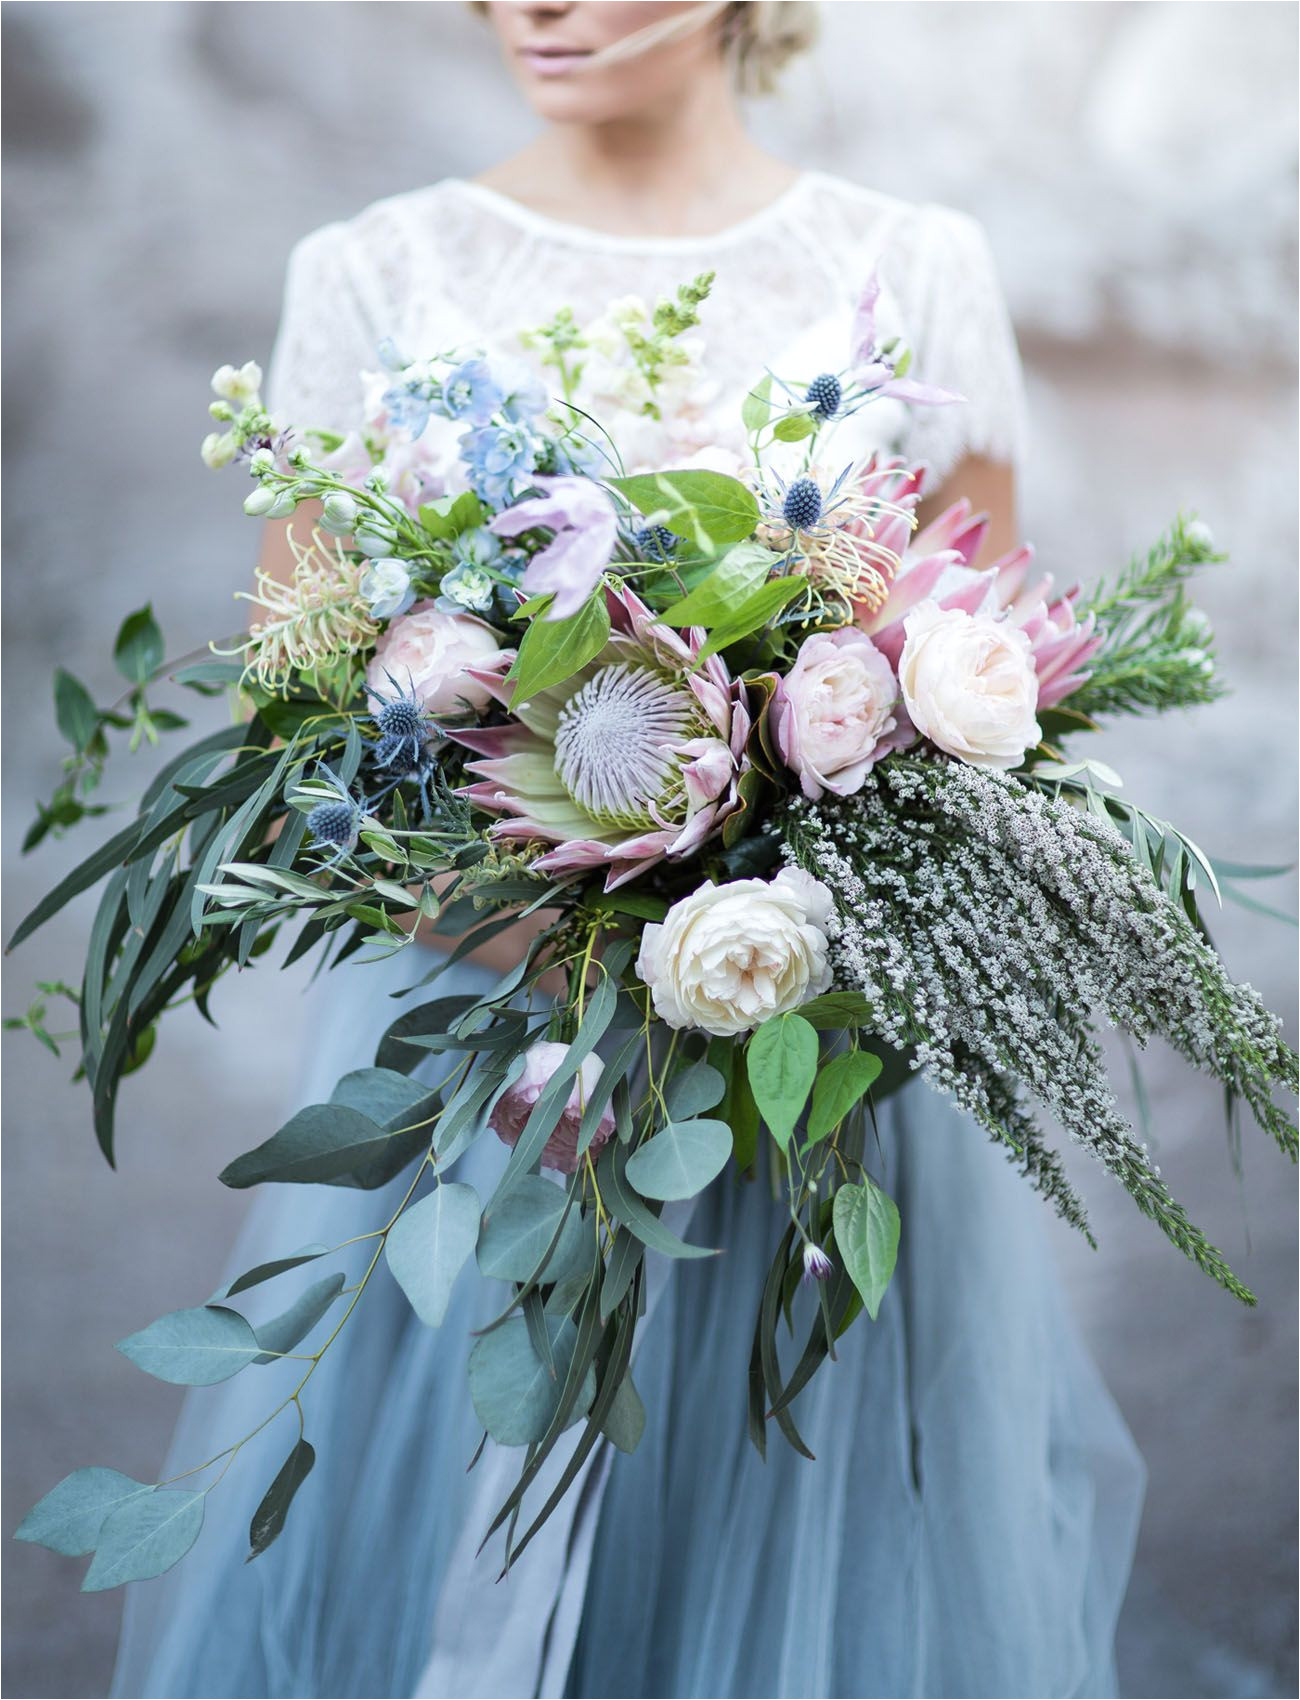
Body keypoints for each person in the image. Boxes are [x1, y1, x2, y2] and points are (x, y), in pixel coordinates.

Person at [114, 5, 1144, 1695]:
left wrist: (782, 917)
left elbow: (986, 698)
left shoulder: (917, 268)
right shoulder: (375, 276)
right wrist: (566, 942)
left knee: (811, 1560)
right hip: (484, 1092)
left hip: (813, 1094)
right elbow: (298, 724)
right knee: (463, 1514)